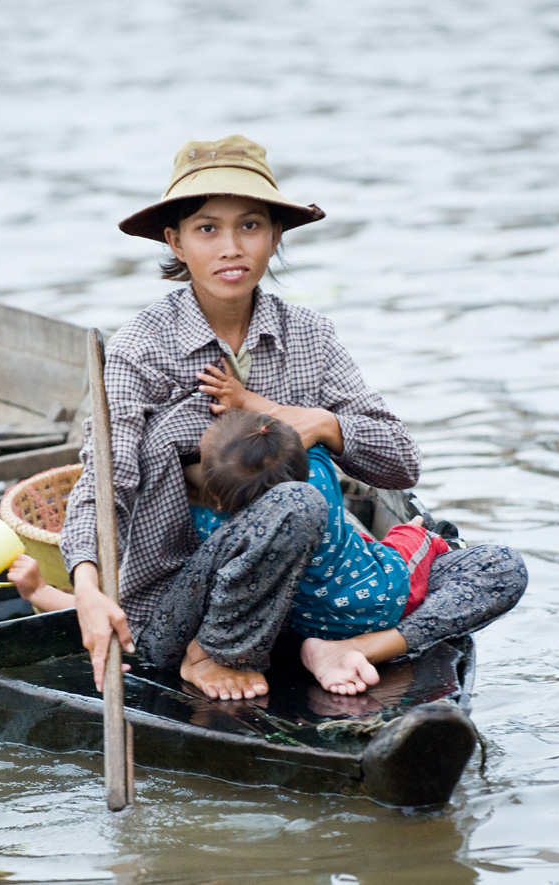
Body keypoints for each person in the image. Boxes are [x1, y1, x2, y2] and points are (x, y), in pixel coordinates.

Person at [58, 134, 528, 702]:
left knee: (500, 567)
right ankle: (215, 655)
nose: (231, 247)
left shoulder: (310, 335)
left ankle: (358, 648)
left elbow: (402, 462)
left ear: (275, 236)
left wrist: (324, 424)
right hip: (187, 614)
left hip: (322, 606)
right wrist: (85, 584)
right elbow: (106, 479)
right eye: (207, 229)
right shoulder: (141, 348)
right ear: (175, 242)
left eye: (250, 226)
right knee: (297, 502)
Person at [190, 408, 450, 647]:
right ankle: (428, 537)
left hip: (302, 623)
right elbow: (311, 435)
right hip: (373, 605)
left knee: (351, 541)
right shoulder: (317, 475)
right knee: (414, 536)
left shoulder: (211, 521)